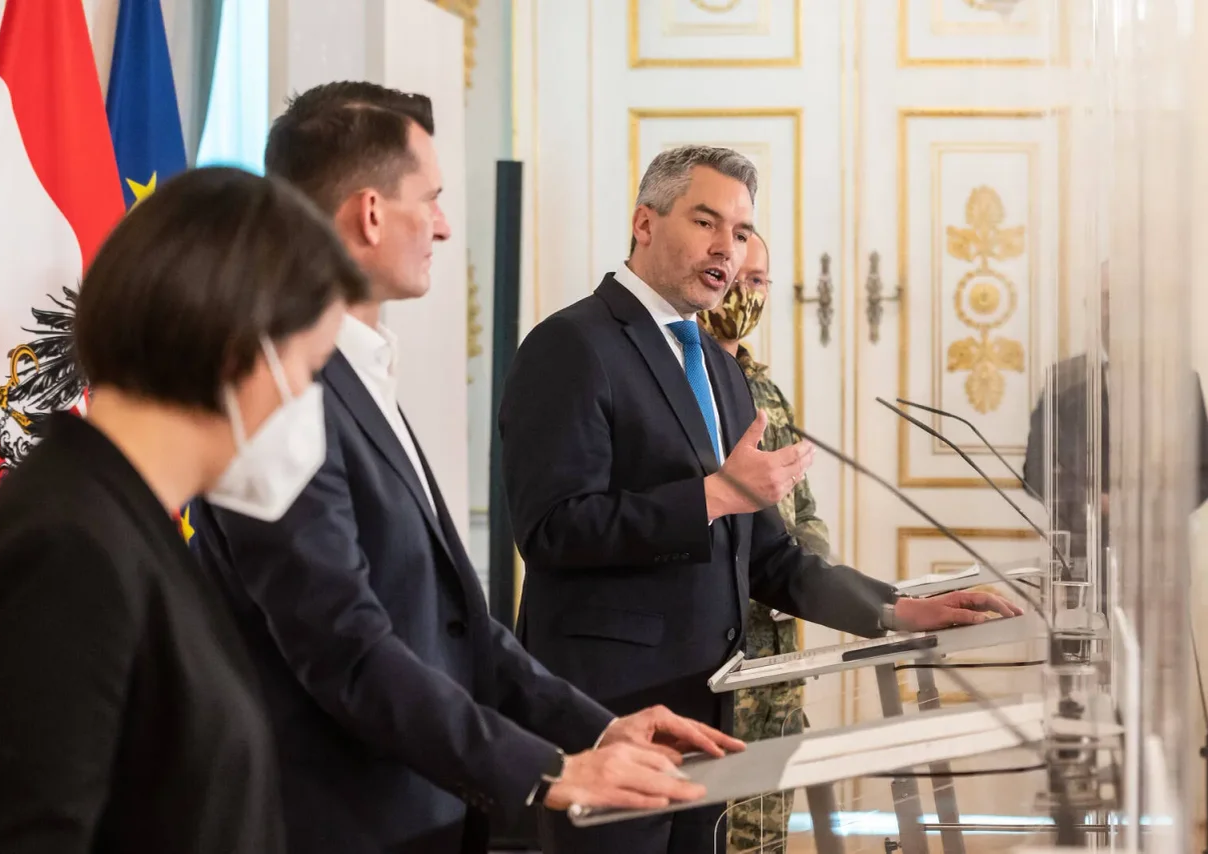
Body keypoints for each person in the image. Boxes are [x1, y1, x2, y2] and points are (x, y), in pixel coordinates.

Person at [188, 82, 741, 854]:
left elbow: (456, 625)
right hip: (335, 822)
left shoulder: (356, 372)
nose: (446, 227)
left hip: (420, 810)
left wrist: (600, 725)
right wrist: (546, 772)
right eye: (433, 199)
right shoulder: (280, 391)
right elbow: (346, 645)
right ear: (372, 213)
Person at [499, 144, 1022, 854]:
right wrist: (712, 496)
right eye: (707, 222)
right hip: (605, 710)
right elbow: (552, 529)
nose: (728, 249)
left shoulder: (721, 366)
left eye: (741, 232)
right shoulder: (571, 344)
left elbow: (770, 554)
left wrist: (895, 609)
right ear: (644, 224)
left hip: (707, 705)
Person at [0, 166, 366, 853]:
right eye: (309, 372)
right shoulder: (64, 549)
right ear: (238, 354)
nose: (312, 407)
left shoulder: (123, 521)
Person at [698, 231, 824, 854]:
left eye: (760, 281)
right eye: (739, 278)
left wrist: (812, 566)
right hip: (725, 653)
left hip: (781, 660)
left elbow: (806, 511)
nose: (748, 292)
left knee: (767, 833)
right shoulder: (688, 387)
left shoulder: (766, 389)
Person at [1024, 262, 1208, 557]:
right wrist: (1093, 502)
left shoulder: (1182, 381)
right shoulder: (1062, 380)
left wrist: (1143, 507)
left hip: (1160, 558)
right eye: (1102, 299)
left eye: (1119, 298)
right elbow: (1035, 472)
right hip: (1083, 554)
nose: (1110, 310)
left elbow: (1201, 474)